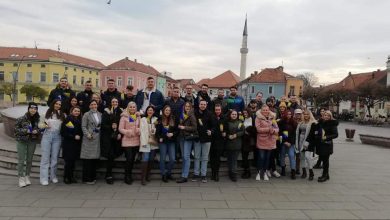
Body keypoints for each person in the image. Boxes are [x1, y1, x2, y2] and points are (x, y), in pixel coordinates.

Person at [14, 102, 41, 187]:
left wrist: (37, 131)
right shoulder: (21, 118)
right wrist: (26, 131)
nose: (33, 110)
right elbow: (15, 129)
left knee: (29, 160)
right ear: (28, 109)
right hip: (22, 140)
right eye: (31, 108)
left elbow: (40, 128)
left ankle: (27, 176)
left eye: (35, 108)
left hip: (32, 141)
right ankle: (21, 178)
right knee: (21, 160)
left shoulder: (38, 119)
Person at [39, 99, 64, 186]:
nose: (58, 105)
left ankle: (53, 176)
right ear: (53, 104)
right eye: (56, 104)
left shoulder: (62, 115)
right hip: (47, 136)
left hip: (57, 137)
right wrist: (45, 125)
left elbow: (65, 126)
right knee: (45, 158)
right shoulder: (45, 114)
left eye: (59, 104)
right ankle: (44, 178)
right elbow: (40, 125)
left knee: (54, 158)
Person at [101, 98, 123, 184]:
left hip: (117, 137)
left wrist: (118, 133)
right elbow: (103, 124)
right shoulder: (106, 112)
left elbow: (123, 123)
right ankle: (108, 175)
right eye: (113, 102)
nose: (115, 103)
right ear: (111, 103)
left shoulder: (121, 112)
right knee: (110, 155)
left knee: (114, 154)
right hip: (108, 137)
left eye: (116, 102)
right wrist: (111, 127)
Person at [119, 101, 141, 185]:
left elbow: (139, 126)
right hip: (127, 141)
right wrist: (127, 132)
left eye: (134, 107)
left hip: (135, 140)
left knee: (132, 160)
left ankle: (130, 175)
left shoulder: (137, 116)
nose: (132, 108)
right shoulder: (124, 117)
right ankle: (126, 176)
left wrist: (139, 130)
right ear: (128, 108)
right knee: (129, 159)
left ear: (136, 108)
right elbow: (120, 129)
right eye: (130, 107)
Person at [193, 100, 215, 183]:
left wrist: (211, 131)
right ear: (199, 105)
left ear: (206, 105)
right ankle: (196, 173)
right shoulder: (195, 113)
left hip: (207, 138)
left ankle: (203, 175)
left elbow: (214, 126)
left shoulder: (210, 114)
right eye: (201, 104)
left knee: (205, 158)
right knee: (197, 157)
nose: (202, 105)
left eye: (204, 104)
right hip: (197, 138)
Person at [80, 100, 102, 184]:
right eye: (92, 104)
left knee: (93, 159)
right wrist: (87, 134)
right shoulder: (86, 114)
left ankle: (92, 177)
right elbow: (83, 126)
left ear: (97, 105)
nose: (94, 106)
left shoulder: (100, 114)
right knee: (87, 160)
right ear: (89, 106)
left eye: (95, 104)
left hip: (96, 139)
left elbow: (99, 125)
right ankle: (86, 178)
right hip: (89, 139)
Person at [255, 104, 279, 181]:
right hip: (262, 140)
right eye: (264, 110)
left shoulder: (272, 117)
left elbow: (277, 128)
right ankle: (258, 172)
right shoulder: (258, 118)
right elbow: (258, 129)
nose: (265, 111)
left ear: (269, 110)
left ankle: (265, 172)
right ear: (261, 111)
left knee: (267, 158)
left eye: (267, 110)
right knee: (261, 157)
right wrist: (268, 129)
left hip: (270, 140)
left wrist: (274, 130)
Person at [176, 102, 198, 183]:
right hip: (181, 137)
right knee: (183, 156)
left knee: (186, 156)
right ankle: (183, 174)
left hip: (188, 138)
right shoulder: (182, 114)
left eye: (189, 106)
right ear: (184, 107)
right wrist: (179, 126)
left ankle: (185, 176)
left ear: (191, 107)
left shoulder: (191, 115)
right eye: (186, 106)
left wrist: (184, 127)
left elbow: (194, 127)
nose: (187, 107)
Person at [60, 106, 83, 184]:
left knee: (73, 162)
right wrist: (73, 136)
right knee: (68, 162)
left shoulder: (79, 120)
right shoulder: (68, 119)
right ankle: (66, 177)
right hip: (68, 144)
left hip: (76, 144)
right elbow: (63, 132)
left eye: (78, 111)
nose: (77, 112)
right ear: (71, 111)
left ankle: (71, 177)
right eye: (75, 111)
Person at [155, 105, 178, 182]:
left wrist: (173, 134)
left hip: (171, 141)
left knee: (172, 159)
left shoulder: (173, 118)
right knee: (163, 158)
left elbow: (177, 130)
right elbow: (157, 132)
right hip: (163, 142)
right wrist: (160, 137)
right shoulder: (160, 119)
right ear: (163, 111)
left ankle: (168, 172)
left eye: (169, 110)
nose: (167, 111)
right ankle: (163, 174)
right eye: (166, 110)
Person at [316, 110, 338, 182]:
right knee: (323, 159)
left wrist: (326, 137)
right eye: (325, 115)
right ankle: (326, 175)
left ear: (330, 117)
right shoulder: (321, 122)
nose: (326, 116)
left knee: (325, 161)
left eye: (328, 115)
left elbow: (335, 134)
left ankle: (324, 175)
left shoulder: (332, 124)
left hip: (327, 144)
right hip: (321, 144)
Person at [295, 108, 317, 179]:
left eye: (307, 114)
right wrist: (297, 143)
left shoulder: (313, 123)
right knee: (302, 157)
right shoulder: (301, 123)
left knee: (308, 157)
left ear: (310, 115)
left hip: (309, 142)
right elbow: (298, 133)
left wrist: (307, 143)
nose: (306, 115)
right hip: (300, 141)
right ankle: (304, 172)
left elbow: (313, 135)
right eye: (304, 114)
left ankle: (311, 172)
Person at [139, 105, 159, 185]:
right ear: (146, 111)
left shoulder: (156, 119)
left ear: (153, 111)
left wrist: (154, 130)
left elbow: (157, 131)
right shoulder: (143, 119)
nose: (150, 111)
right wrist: (143, 143)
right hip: (145, 142)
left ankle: (148, 175)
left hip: (153, 141)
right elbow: (142, 131)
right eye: (148, 110)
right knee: (145, 158)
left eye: (151, 110)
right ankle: (143, 178)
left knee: (151, 159)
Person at [223, 110, 244, 182]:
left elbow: (242, 131)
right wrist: (228, 136)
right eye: (233, 114)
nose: (234, 115)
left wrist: (236, 135)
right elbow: (224, 131)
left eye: (235, 114)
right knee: (229, 159)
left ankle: (234, 174)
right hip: (228, 143)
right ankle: (230, 172)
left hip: (237, 144)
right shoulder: (227, 122)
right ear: (230, 115)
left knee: (234, 160)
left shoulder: (240, 122)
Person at [278, 110, 297, 179]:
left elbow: (294, 135)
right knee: (282, 155)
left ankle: (293, 171)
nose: (289, 115)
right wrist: (284, 141)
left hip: (290, 143)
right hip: (283, 142)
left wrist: (290, 142)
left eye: (290, 114)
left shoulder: (294, 123)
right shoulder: (281, 122)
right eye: (288, 114)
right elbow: (280, 133)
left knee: (291, 156)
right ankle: (283, 168)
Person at [210, 104, 225, 182]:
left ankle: (216, 173)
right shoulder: (212, 117)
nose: (217, 111)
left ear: (221, 110)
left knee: (217, 158)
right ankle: (212, 173)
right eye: (216, 110)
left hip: (220, 141)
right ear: (214, 110)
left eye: (219, 110)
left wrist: (225, 132)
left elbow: (226, 128)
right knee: (212, 158)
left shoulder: (224, 117)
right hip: (212, 140)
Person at [241, 108, 256, 179]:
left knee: (245, 157)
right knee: (244, 157)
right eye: (244, 113)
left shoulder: (252, 119)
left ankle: (247, 172)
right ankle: (246, 171)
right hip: (243, 140)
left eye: (246, 113)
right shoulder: (243, 119)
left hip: (248, 141)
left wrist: (247, 132)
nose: (245, 114)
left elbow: (254, 130)